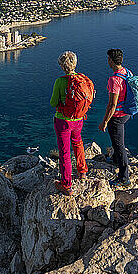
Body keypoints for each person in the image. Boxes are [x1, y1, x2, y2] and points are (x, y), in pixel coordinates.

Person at [50, 51, 90, 196]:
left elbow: (53, 102)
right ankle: (82, 171)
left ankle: (66, 184)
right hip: (79, 119)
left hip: (63, 121)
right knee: (78, 143)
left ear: (62, 66)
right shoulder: (83, 79)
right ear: (75, 64)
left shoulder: (60, 81)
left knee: (65, 152)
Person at [99, 48, 131, 186]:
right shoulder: (127, 72)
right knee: (116, 141)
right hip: (127, 113)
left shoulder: (114, 80)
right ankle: (116, 159)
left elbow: (112, 104)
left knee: (119, 146)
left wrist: (105, 121)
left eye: (108, 59)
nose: (108, 61)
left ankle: (124, 177)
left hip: (117, 116)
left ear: (111, 61)